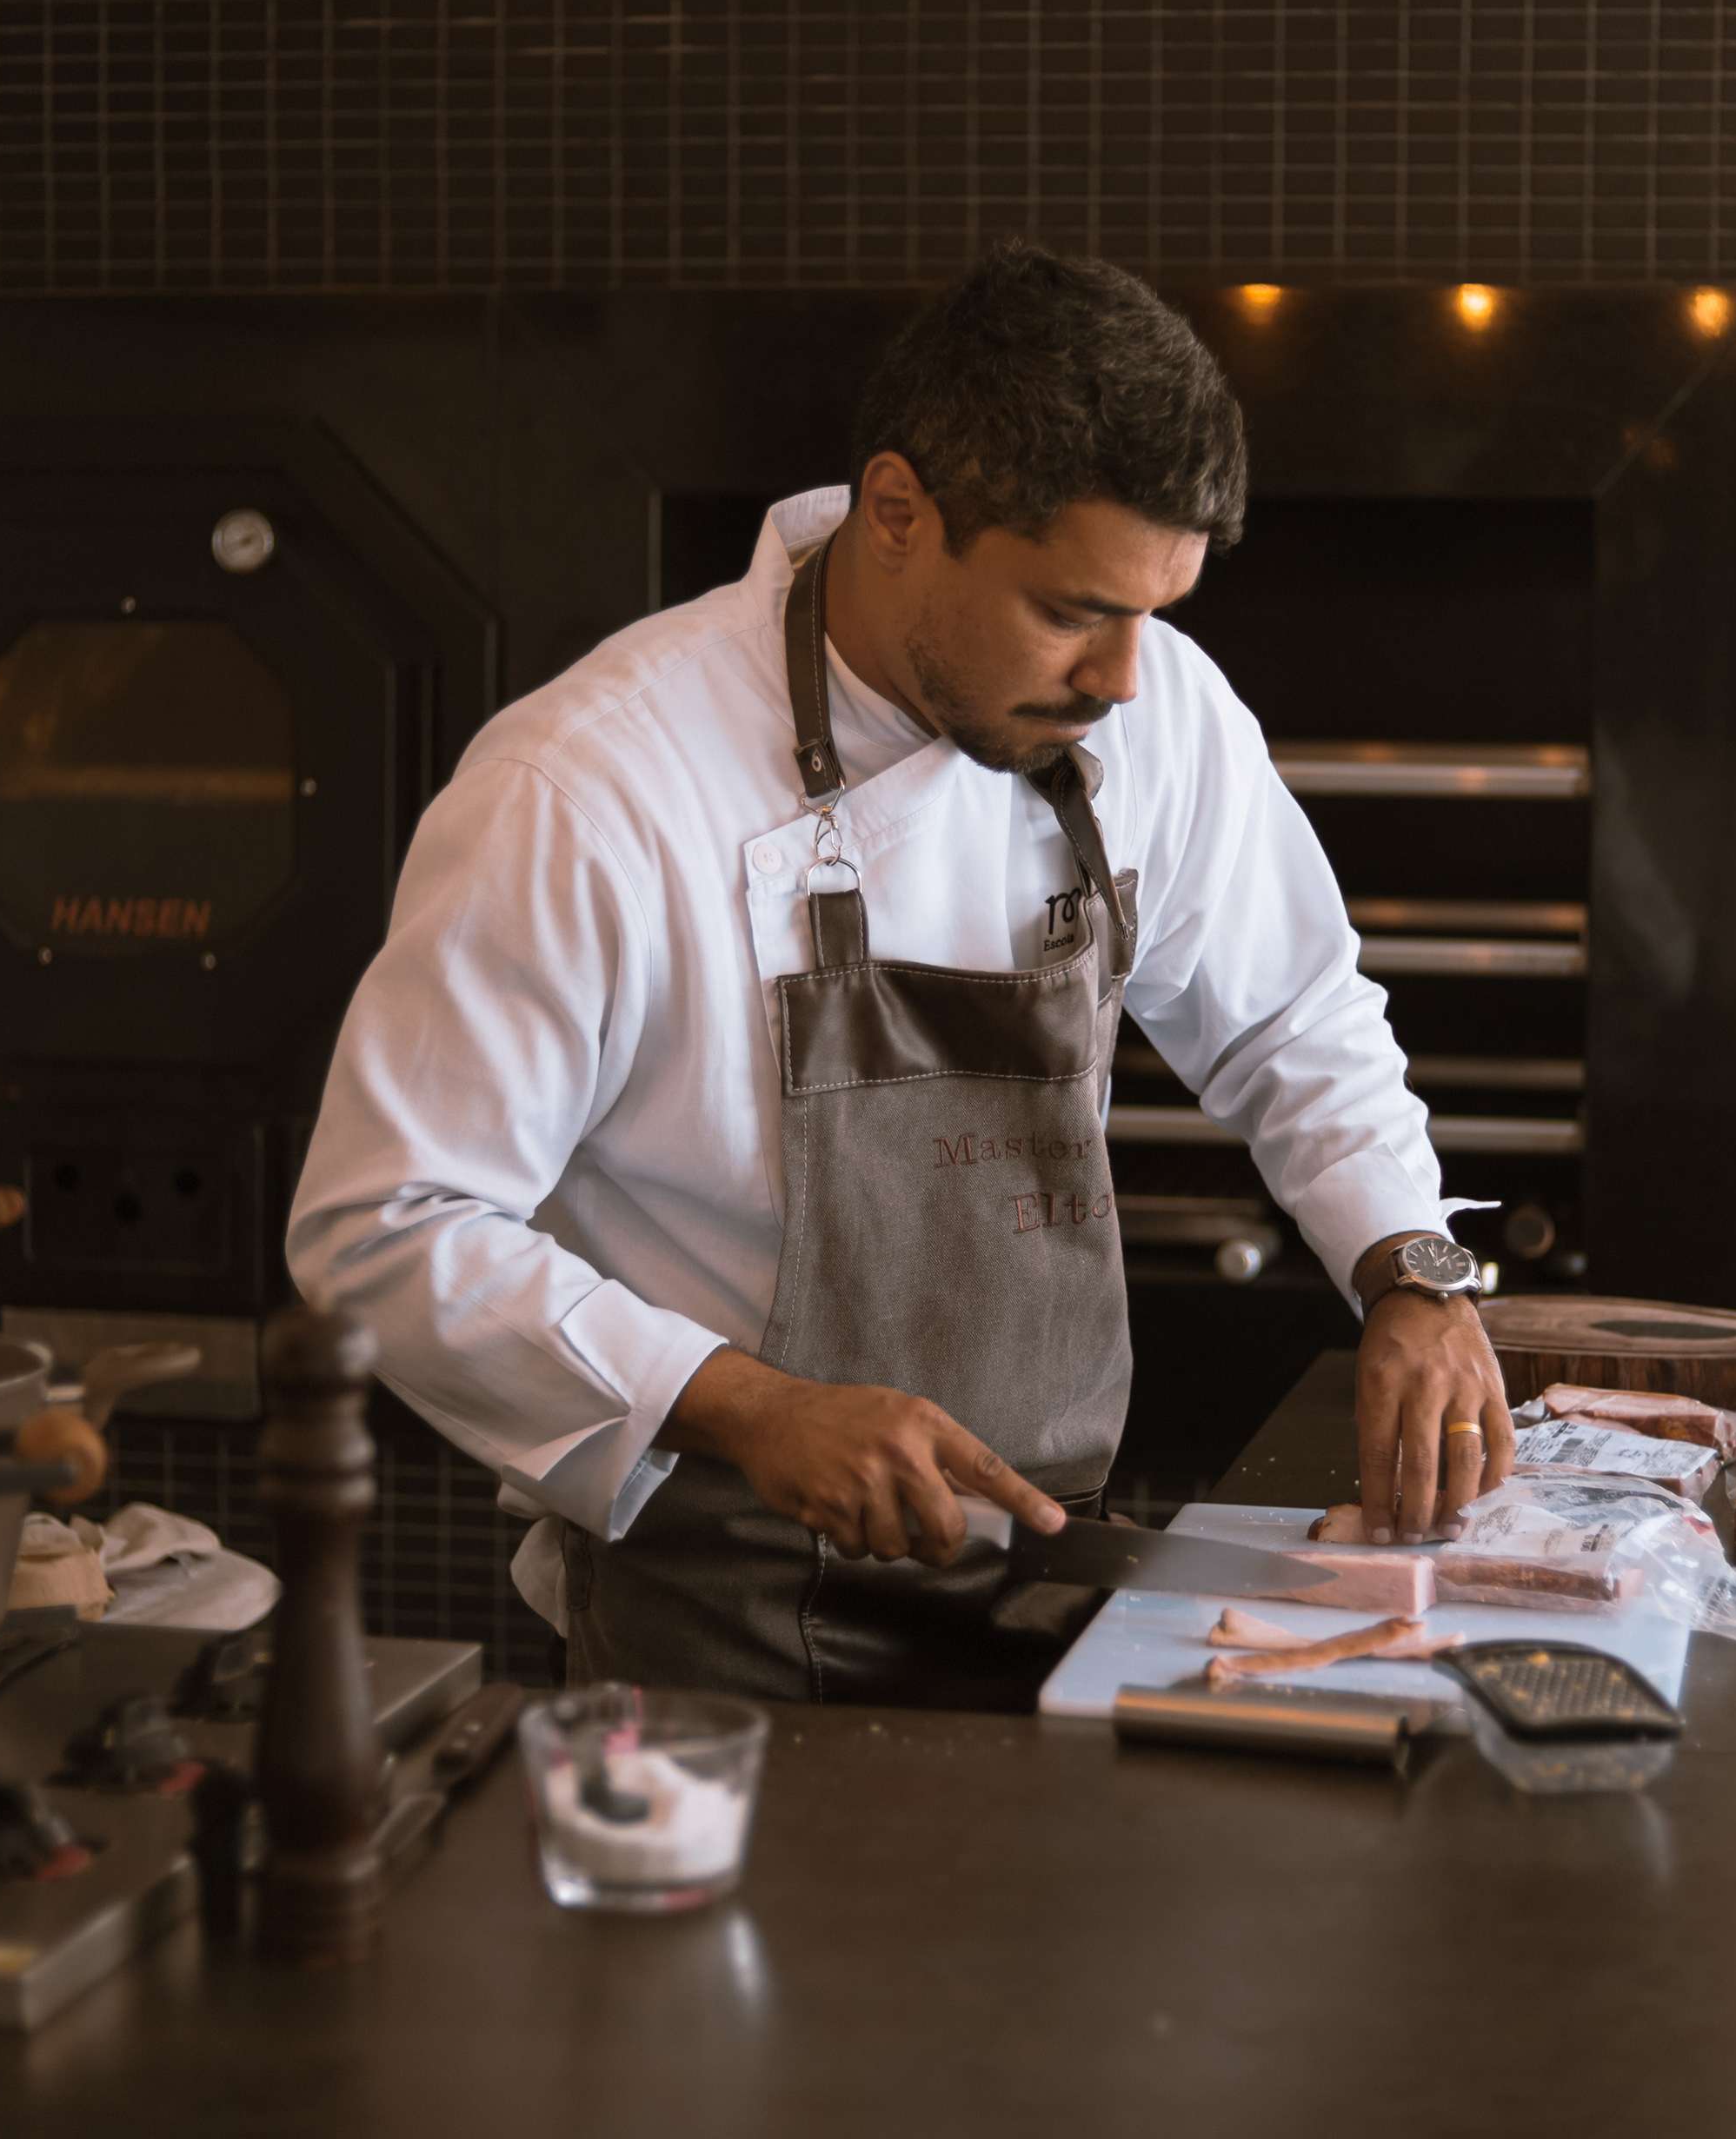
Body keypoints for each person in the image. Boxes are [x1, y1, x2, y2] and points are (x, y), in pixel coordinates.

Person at [288, 242, 1510, 1709]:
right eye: (1071, 611)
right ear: (897, 515)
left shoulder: (1158, 712)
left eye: (1159, 613)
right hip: (722, 1601)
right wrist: (752, 1409)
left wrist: (1412, 1268)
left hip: (1044, 1562)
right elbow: (386, 1225)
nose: (1123, 678)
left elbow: (1291, 1016)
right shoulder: (589, 788)